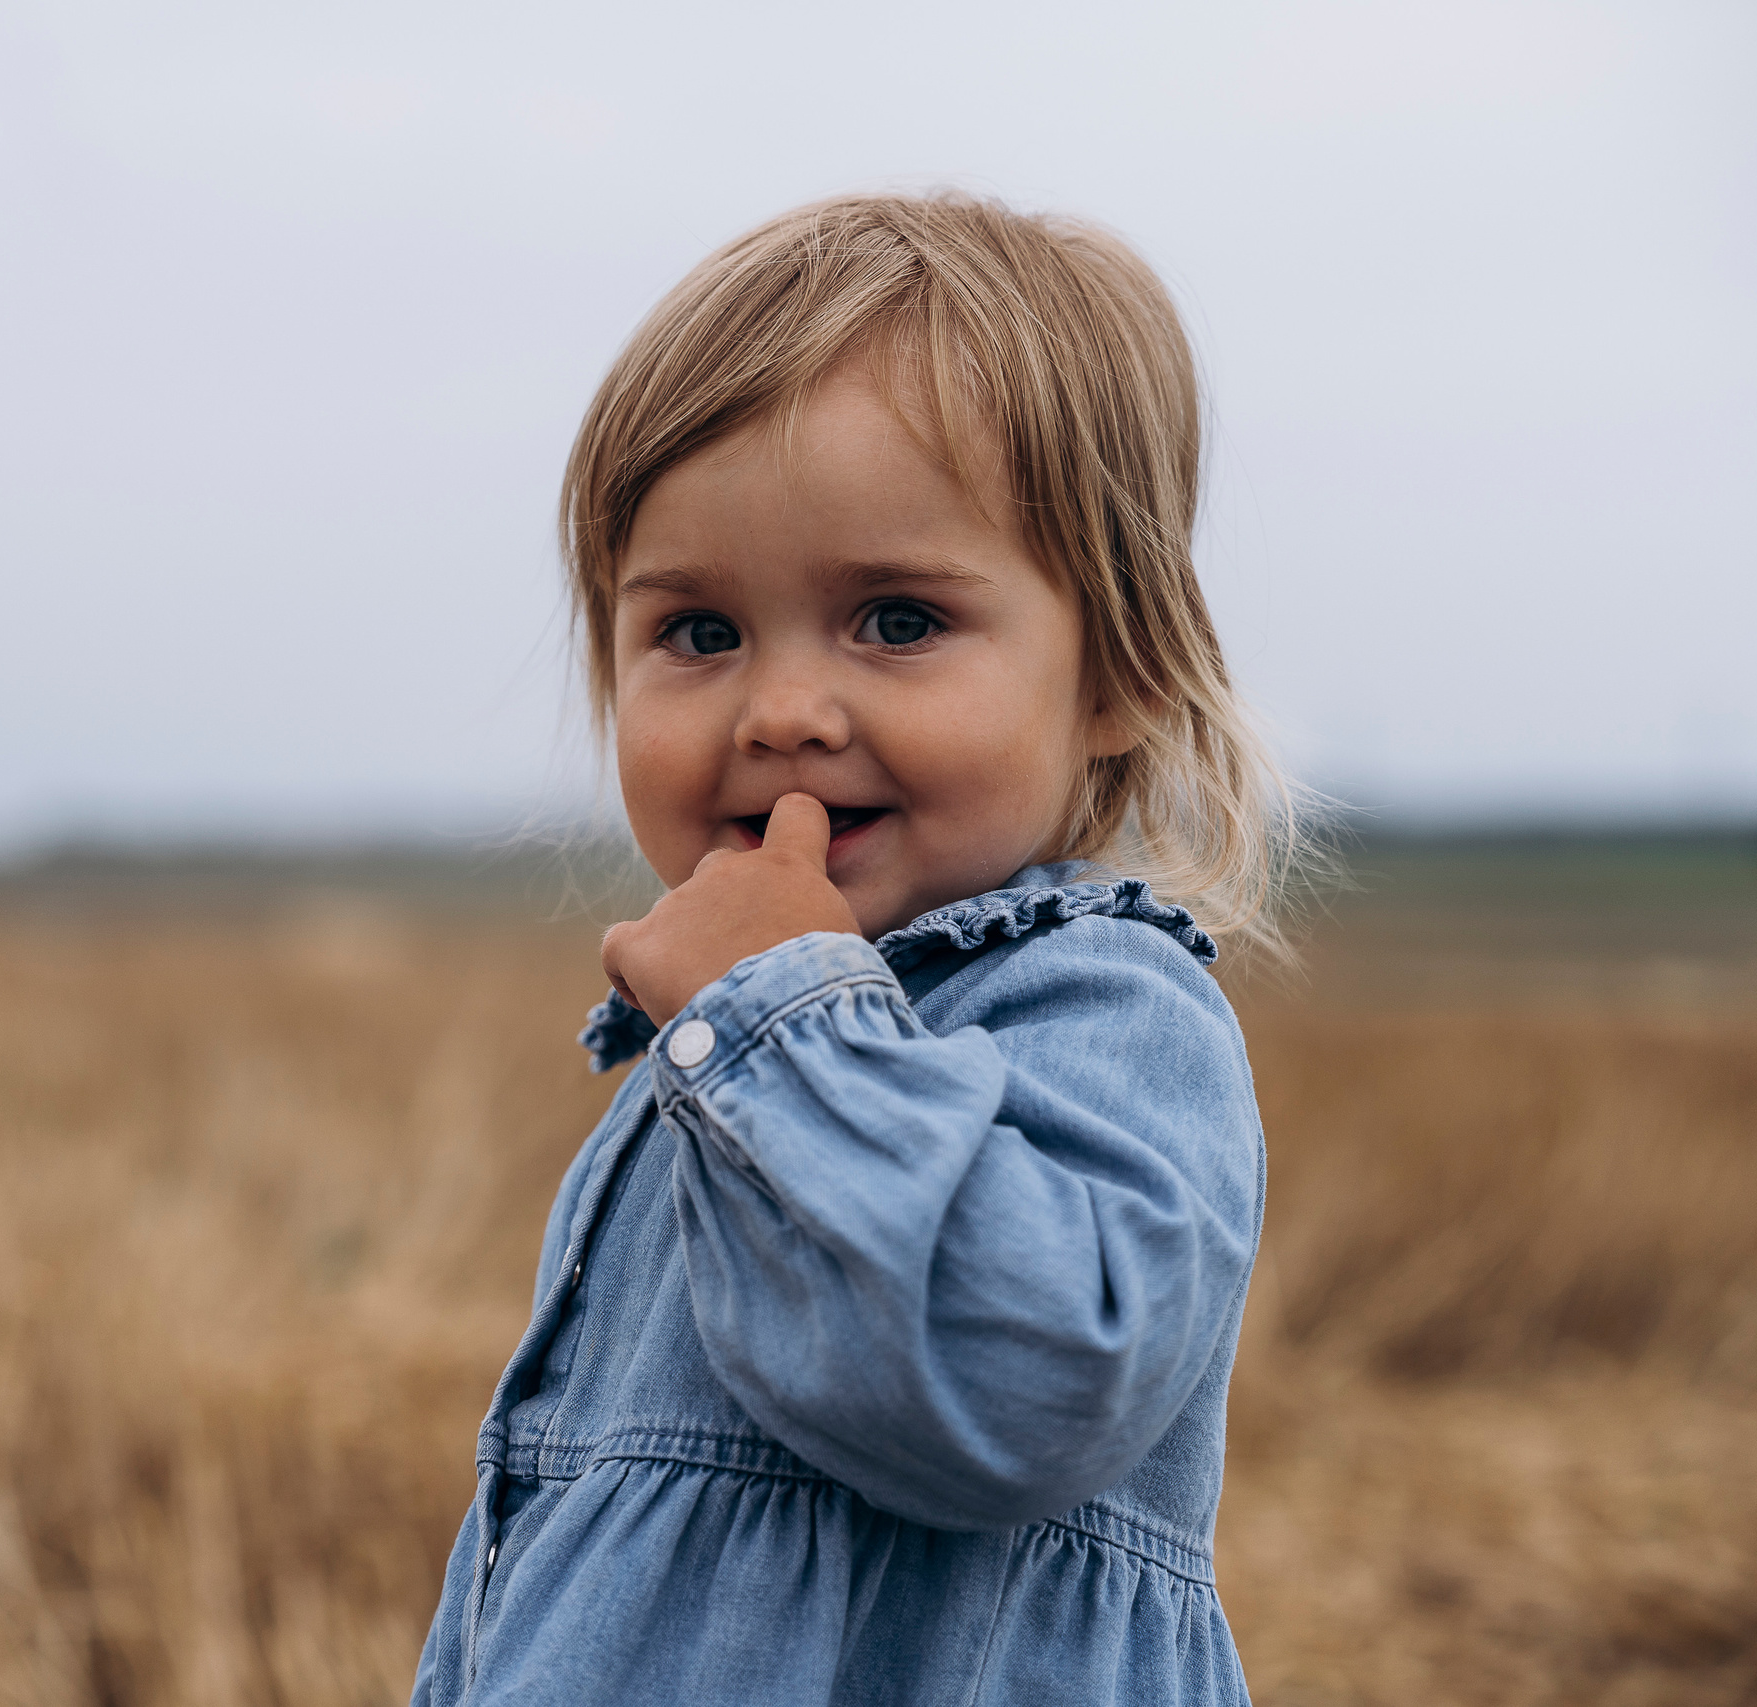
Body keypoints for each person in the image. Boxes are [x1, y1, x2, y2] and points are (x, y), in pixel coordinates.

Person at [412, 191, 1294, 1705]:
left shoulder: (1103, 1010)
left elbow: (1023, 1384)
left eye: (894, 619)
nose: (780, 715)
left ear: (1122, 675)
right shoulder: (726, 1061)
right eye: (698, 633)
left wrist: (775, 1016)